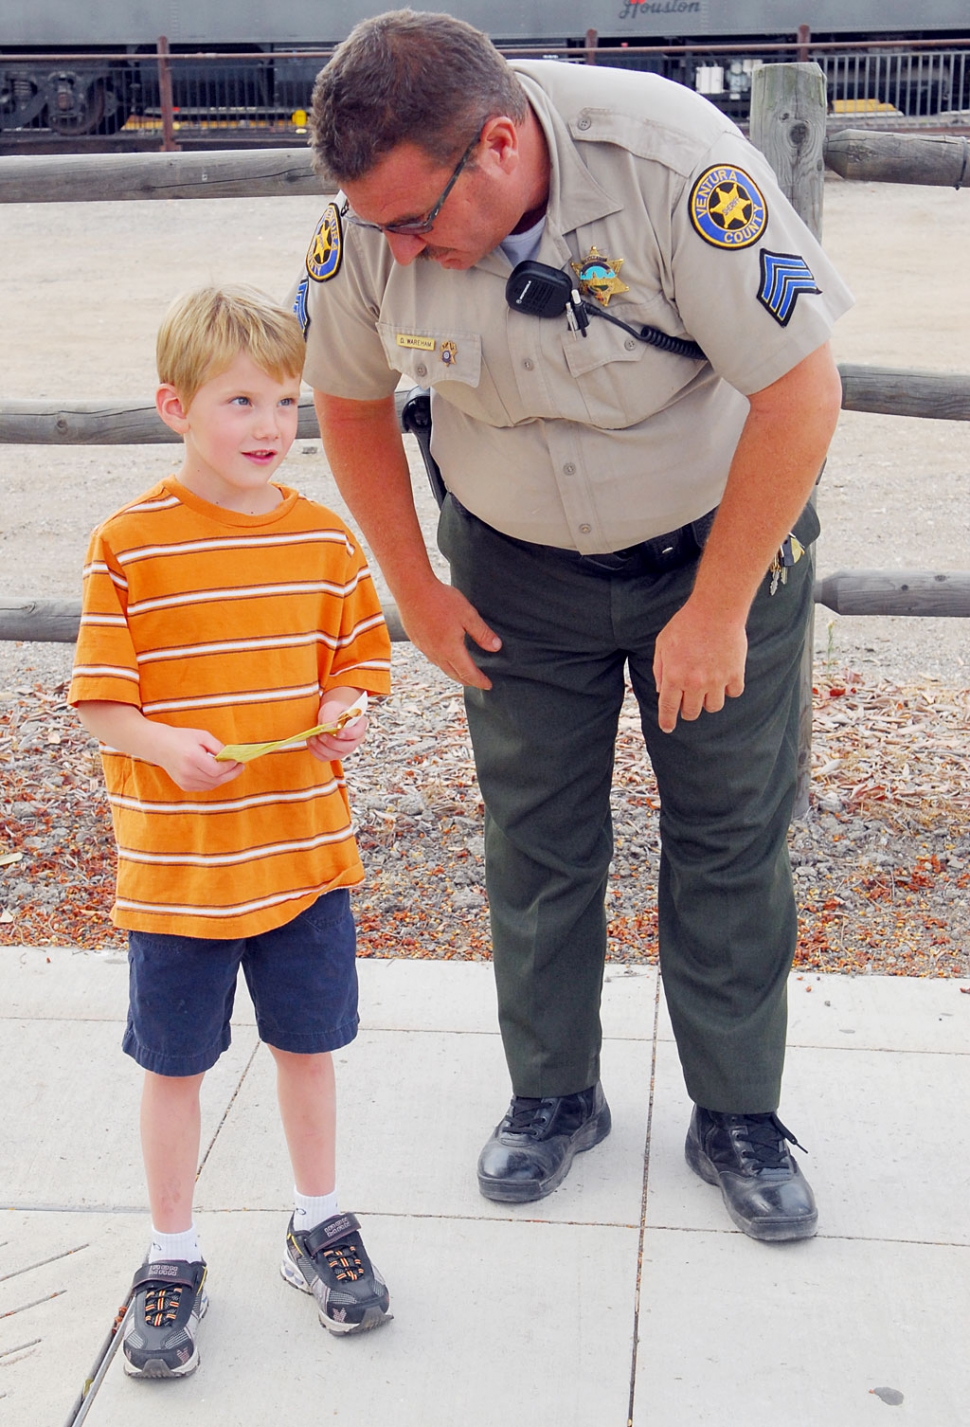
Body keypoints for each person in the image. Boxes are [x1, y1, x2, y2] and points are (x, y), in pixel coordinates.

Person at [294, 10, 850, 1242]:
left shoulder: (675, 166)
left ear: (498, 144)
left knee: (727, 831)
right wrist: (416, 593)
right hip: (513, 570)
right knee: (536, 838)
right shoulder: (369, 219)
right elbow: (346, 400)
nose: (397, 248)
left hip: (713, 549)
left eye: (413, 221)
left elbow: (800, 391)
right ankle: (552, 1096)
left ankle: (738, 1114)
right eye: (377, 226)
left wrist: (715, 610)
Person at [69, 285, 393, 1377]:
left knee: (308, 1048)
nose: (269, 426)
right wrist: (161, 746)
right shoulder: (130, 544)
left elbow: (359, 659)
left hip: (303, 856)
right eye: (241, 400)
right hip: (178, 876)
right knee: (175, 1066)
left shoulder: (321, 538)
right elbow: (102, 701)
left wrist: (349, 710)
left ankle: (319, 1219)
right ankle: (171, 1250)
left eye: (287, 401)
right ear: (175, 406)